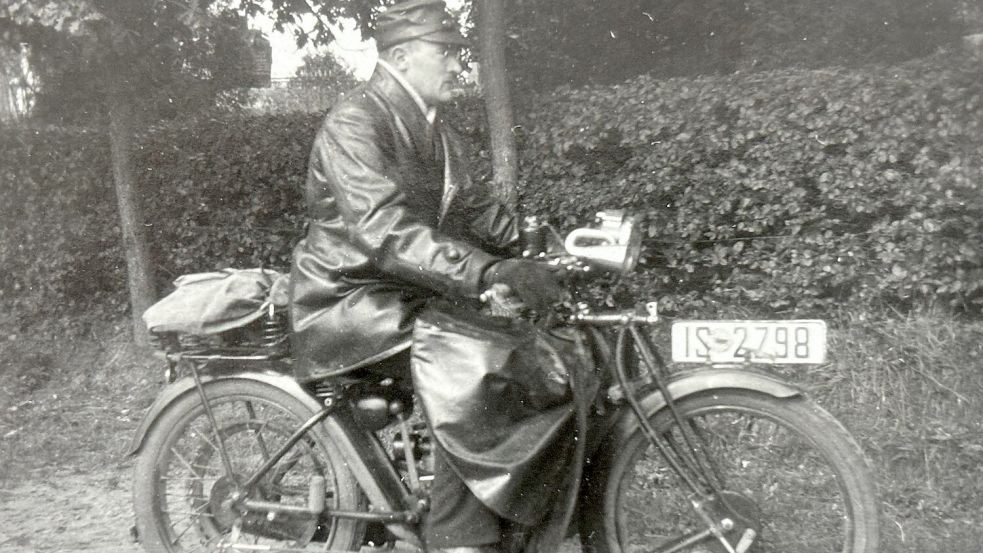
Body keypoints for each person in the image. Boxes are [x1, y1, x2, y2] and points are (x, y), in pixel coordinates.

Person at [288, 1, 567, 552]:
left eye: (459, 54)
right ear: (399, 56)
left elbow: (483, 212)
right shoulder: (355, 121)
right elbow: (384, 229)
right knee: (476, 367)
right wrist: (487, 269)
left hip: (400, 296)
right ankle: (458, 539)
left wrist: (549, 252)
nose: (458, 66)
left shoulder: (440, 133)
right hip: (347, 301)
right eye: (447, 53)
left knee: (518, 351)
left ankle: (502, 524)